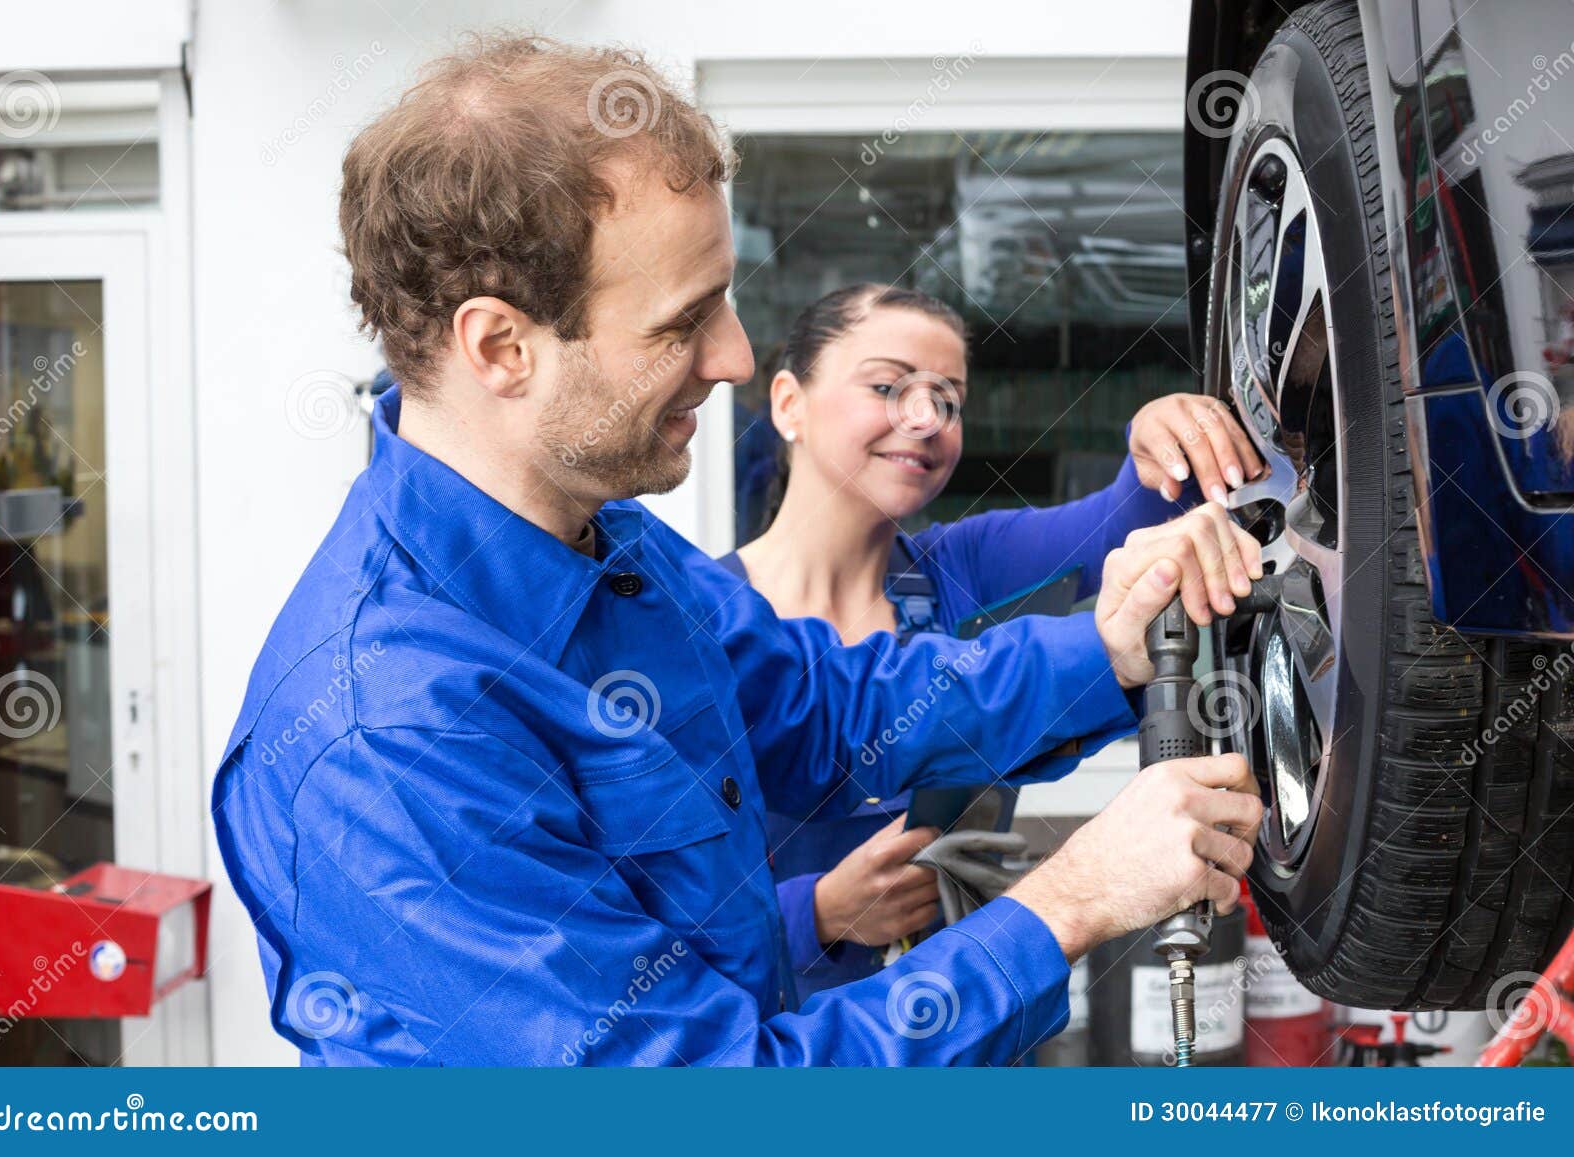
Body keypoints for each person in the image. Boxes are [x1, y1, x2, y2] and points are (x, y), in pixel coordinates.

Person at [211, 33, 1265, 1066]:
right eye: (682, 323)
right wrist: (1065, 904)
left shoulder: (604, 543)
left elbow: (830, 710)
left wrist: (1110, 651)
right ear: (500, 345)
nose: (736, 357)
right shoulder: (387, 735)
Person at [722, 284, 1264, 1001]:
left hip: (972, 1010)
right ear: (789, 403)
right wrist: (815, 913)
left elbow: (1131, 520)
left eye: (947, 399)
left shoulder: (963, 569)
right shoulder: (704, 623)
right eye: (887, 386)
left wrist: (1159, 432)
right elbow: (640, 910)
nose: (925, 418)